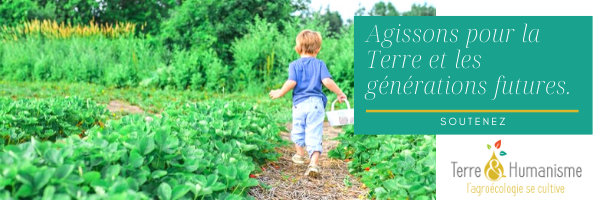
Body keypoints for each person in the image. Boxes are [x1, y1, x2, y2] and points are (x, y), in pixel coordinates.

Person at [269, 29, 347, 177]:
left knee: (298, 128)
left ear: (297, 48)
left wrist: (280, 92)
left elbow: (291, 82)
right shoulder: (319, 64)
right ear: (318, 49)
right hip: (316, 104)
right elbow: (327, 81)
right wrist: (339, 93)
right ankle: (313, 164)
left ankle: (299, 154)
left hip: (299, 104)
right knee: (314, 132)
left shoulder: (294, 65)